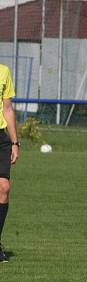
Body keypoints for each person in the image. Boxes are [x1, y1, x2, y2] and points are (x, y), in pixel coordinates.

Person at [0, 62, 19, 263]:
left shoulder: (4, 71)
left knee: (4, 187)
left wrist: (15, 142)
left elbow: (7, 108)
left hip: (1, 138)